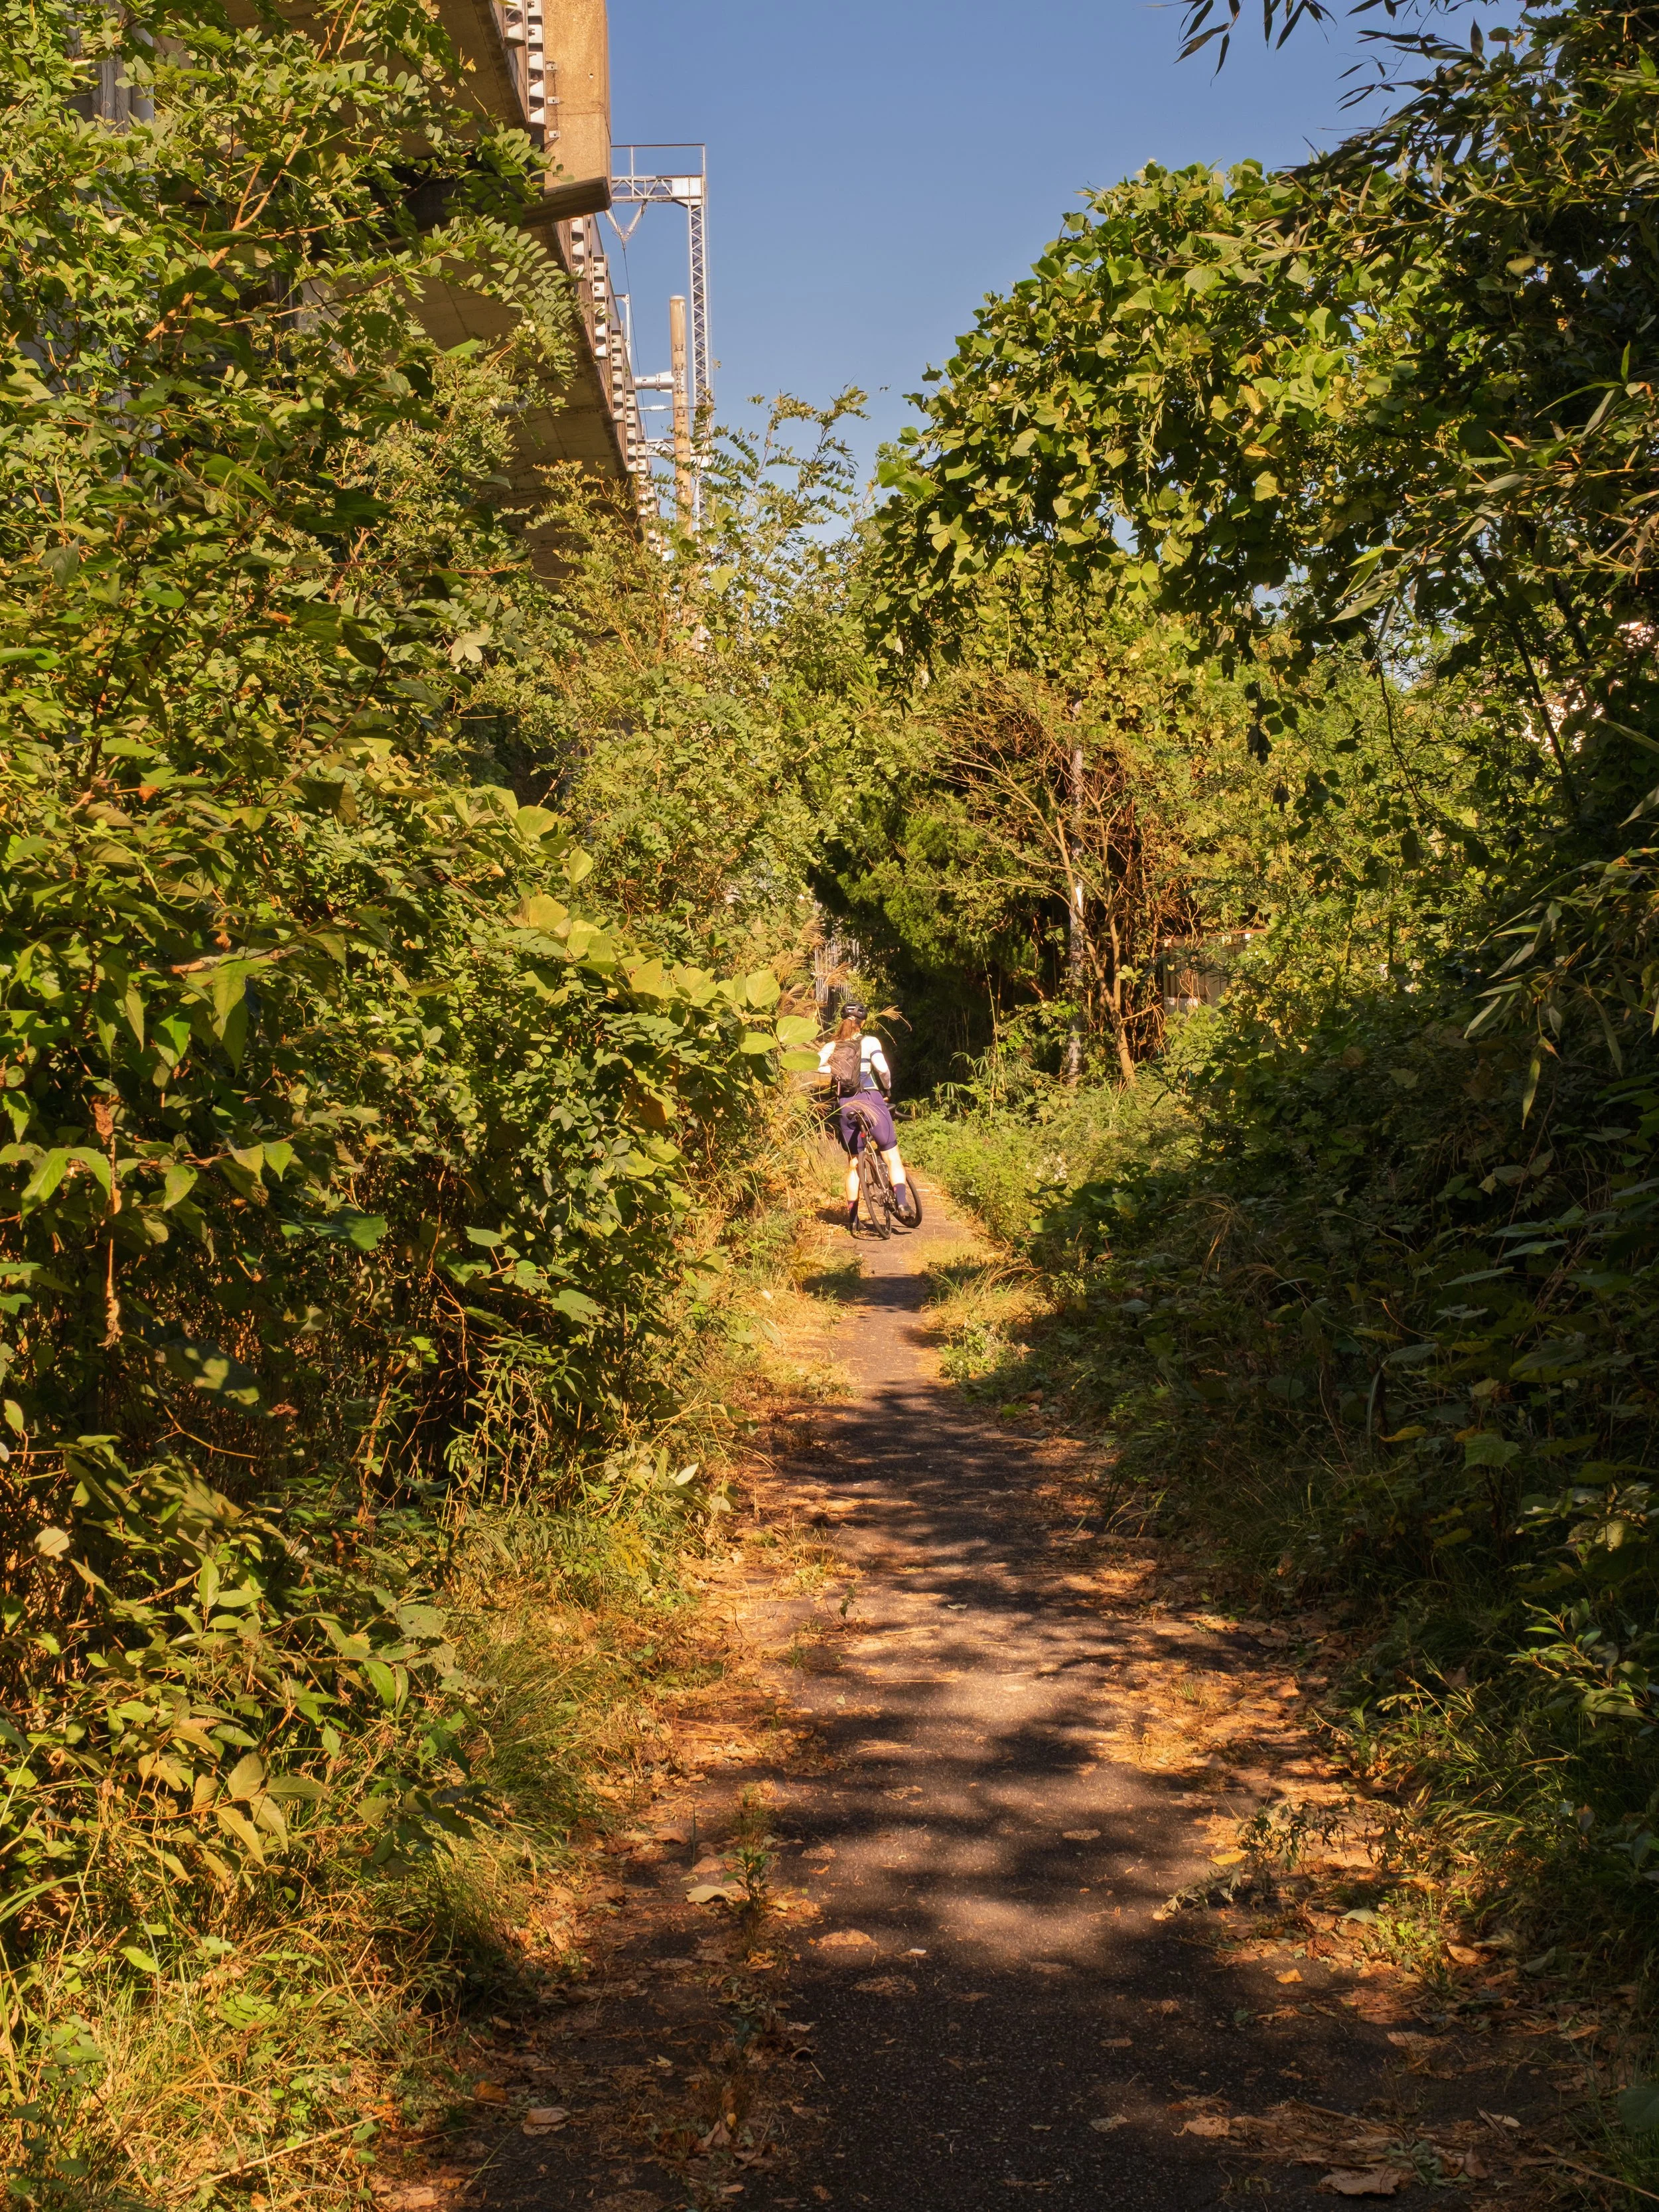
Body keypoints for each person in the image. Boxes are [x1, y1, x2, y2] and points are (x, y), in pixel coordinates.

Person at [816, 1001, 918, 1232]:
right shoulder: (870, 1041)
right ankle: (901, 1202)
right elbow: (882, 1069)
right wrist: (888, 1089)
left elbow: (816, 1065)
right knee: (891, 1155)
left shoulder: (832, 1046)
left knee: (853, 1164)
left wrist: (832, 1071)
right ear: (862, 1022)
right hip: (871, 1099)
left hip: (846, 1104)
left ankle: (853, 1219)